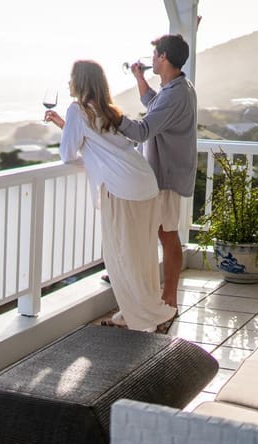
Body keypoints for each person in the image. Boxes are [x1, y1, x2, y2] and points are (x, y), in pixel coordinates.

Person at [46, 60, 177, 333]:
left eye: (71, 78)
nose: (68, 83)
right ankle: (134, 315)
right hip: (144, 182)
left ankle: (155, 315)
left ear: (80, 82)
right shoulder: (109, 111)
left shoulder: (77, 110)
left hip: (122, 189)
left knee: (121, 258)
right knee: (141, 255)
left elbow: (68, 154)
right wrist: (65, 125)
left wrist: (67, 126)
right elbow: (102, 143)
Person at [118, 34, 197, 312]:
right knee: (154, 231)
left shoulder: (176, 93)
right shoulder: (174, 88)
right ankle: (141, 284)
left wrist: (112, 116)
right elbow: (152, 103)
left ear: (163, 57)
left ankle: (170, 298)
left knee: (167, 234)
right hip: (160, 175)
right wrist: (139, 77)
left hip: (166, 176)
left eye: (154, 55)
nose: (151, 59)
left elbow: (143, 130)